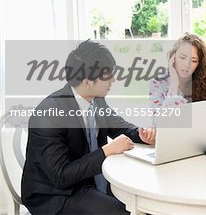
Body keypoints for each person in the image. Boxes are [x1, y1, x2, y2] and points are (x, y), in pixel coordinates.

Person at [21, 40, 156, 215]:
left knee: (144, 201)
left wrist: (140, 134)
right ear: (87, 82)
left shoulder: (96, 99)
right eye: (108, 75)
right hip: (55, 194)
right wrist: (106, 151)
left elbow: (118, 125)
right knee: (126, 211)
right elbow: (61, 176)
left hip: (87, 181)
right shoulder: (48, 113)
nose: (113, 80)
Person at [148, 32, 206, 129]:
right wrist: (174, 88)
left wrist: (198, 123)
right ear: (173, 57)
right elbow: (159, 123)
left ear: (199, 64)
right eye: (182, 58)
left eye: (193, 61)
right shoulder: (158, 82)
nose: (186, 65)